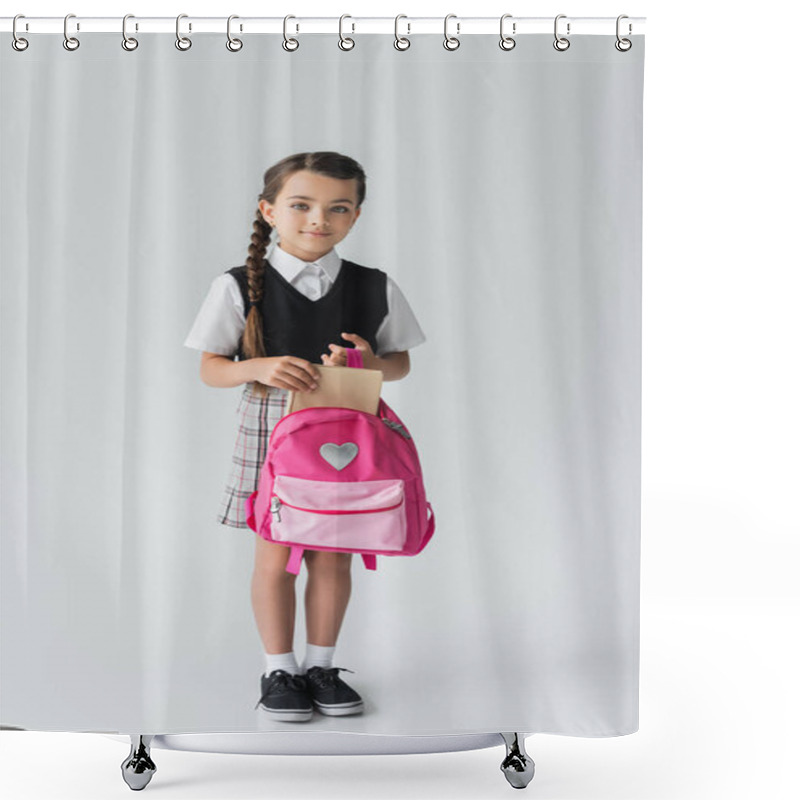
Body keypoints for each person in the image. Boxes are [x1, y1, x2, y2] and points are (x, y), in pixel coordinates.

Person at [183, 151, 426, 722]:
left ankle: (322, 665)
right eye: (301, 205)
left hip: (350, 421)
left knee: (333, 552)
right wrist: (257, 367)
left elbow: (400, 366)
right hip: (271, 428)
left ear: (355, 217)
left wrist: (369, 361)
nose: (319, 219)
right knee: (275, 552)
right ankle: (279, 669)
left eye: (337, 208)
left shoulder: (373, 285)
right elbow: (211, 368)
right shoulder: (238, 285)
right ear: (269, 211)